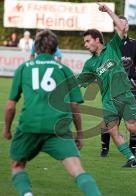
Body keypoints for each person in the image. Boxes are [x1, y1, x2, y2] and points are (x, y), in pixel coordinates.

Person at [2, 29, 101, 196]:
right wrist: (80, 134)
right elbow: (75, 106)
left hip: (29, 126)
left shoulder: (23, 68)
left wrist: (6, 129)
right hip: (58, 128)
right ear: (56, 49)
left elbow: (11, 106)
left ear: (35, 48)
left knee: (17, 166)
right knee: (77, 168)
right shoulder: (64, 70)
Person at [78, 3, 136, 168]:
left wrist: (108, 11)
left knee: (132, 127)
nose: (85, 45)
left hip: (125, 95)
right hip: (108, 101)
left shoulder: (113, 48)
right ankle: (132, 159)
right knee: (112, 130)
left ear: (97, 40)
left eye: (87, 41)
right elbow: (80, 81)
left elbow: (120, 26)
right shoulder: (90, 64)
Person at [100, 16, 136, 157]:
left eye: (126, 23)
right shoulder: (111, 46)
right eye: (121, 23)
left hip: (131, 84)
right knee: (110, 118)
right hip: (115, 86)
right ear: (115, 27)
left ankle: (133, 147)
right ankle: (105, 148)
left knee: (133, 119)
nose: (124, 26)